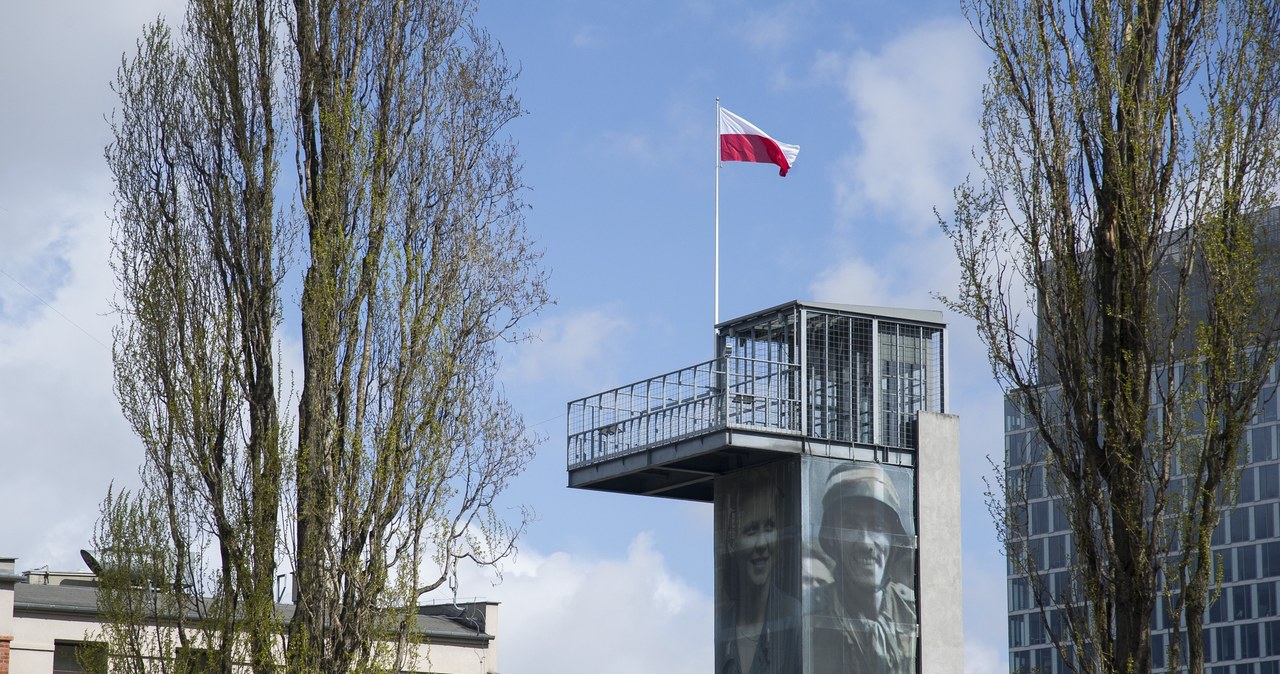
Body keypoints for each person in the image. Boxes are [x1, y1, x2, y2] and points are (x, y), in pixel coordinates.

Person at [812, 462, 917, 674]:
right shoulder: (810, 614)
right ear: (832, 537)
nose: (866, 543)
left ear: (891, 538)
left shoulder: (912, 612)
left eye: (877, 526)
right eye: (850, 525)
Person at [719, 467, 799, 674]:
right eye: (752, 530)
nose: (762, 543)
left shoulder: (795, 621)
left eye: (769, 527)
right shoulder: (721, 630)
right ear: (731, 542)